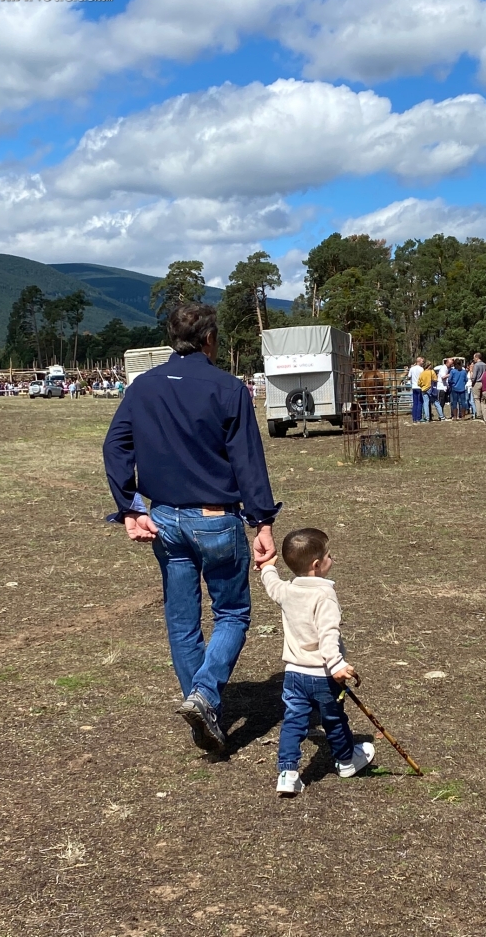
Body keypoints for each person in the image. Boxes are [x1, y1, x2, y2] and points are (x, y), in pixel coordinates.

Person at [102, 304, 281, 754]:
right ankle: (204, 695)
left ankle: (205, 710)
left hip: (163, 517)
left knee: (182, 619)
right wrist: (262, 521)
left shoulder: (142, 387)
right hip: (215, 517)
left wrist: (128, 506)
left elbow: (115, 445)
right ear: (208, 339)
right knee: (233, 613)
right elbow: (248, 459)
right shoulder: (227, 388)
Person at [260, 528, 375, 796]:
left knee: (293, 721)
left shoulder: (288, 590)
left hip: (293, 675)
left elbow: (272, 586)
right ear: (316, 565)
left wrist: (267, 568)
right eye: (329, 555)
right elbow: (328, 634)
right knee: (334, 719)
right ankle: (347, 761)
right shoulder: (324, 596)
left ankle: (287, 773)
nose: (332, 559)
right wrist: (336, 665)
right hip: (323, 676)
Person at [407, 357, 425, 424]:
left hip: (414, 387)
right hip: (419, 387)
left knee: (415, 403)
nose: (423, 362)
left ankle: (414, 418)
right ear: (419, 361)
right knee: (420, 402)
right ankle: (418, 418)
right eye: (422, 361)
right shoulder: (421, 369)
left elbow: (408, 376)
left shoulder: (412, 368)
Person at [470, 353, 486, 421]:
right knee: (482, 400)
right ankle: (484, 413)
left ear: (477, 357)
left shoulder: (476, 365)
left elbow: (474, 376)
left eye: (474, 358)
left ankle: (479, 414)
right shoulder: (485, 365)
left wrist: (472, 382)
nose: (474, 359)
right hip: (483, 383)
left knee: (476, 399)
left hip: (477, 383)